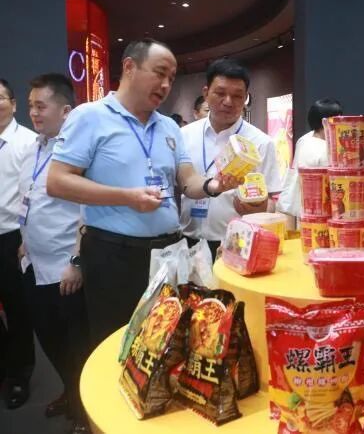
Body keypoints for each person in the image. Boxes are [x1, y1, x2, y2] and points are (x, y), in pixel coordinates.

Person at [46, 39, 239, 347]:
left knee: (166, 341)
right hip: (114, 256)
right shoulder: (90, 116)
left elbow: (187, 179)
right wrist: (127, 197)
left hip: (168, 253)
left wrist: (213, 185)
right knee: (118, 342)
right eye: (159, 73)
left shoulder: (168, 128)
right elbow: (57, 181)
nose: (165, 85)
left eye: (171, 78)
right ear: (129, 67)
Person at [19, 73, 91, 433]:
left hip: (65, 269)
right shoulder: (34, 148)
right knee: (48, 338)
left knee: (77, 345)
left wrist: (77, 262)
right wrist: (25, 241)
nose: (33, 112)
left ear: (65, 111)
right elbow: (30, 199)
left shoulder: (80, 153)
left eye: (41, 106)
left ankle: (84, 410)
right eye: (31, 106)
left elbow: (87, 213)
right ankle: (68, 391)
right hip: (33, 264)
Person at [179, 58, 282, 259]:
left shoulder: (261, 142)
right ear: (206, 93)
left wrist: (259, 208)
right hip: (186, 241)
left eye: (237, 96)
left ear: (246, 98)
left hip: (235, 244)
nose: (228, 101)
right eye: (220, 93)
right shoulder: (184, 135)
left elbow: (270, 202)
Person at [0, 78, 36, 409]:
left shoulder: (28, 142)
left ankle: (19, 373)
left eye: (0, 98)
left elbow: (33, 194)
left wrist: (26, 240)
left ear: (13, 103)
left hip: (11, 237)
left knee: (17, 308)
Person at [277, 98, 343, 218]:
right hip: (315, 212)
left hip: (295, 207)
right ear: (325, 122)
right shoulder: (326, 150)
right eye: (337, 119)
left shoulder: (304, 139)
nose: (342, 123)